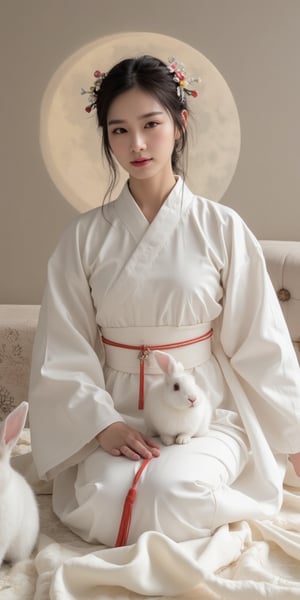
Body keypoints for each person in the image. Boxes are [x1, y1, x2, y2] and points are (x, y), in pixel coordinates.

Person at [29, 55, 300, 548]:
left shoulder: (222, 227)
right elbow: (62, 347)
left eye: (151, 124)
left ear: (179, 125)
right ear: (106, 137)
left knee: (171, 492)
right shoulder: (83, 237)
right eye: (118, 130)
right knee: (106, 499)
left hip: (204, 408)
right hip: (114, 410)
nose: (135, 144)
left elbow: (261, 342)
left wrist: (295, 435)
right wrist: (101, 424)